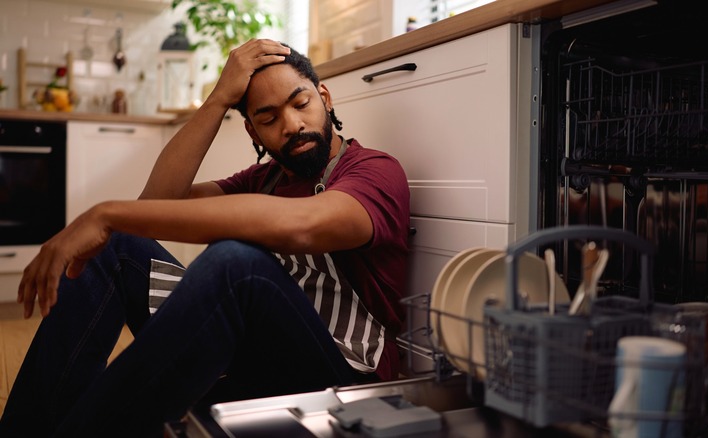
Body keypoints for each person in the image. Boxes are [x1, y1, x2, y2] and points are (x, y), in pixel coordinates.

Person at [0, 39, 410, 437]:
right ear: (253, 132)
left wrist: (104, 212)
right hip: (251, 365)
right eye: (268, 119)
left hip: (343, 378)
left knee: (237, 265)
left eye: (301, 103)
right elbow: (156, 207)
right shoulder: (261, 181)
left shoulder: (373, 170)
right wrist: (215, 101)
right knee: (119, 246)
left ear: (325, 97)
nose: (292, 125)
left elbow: (304, 223)